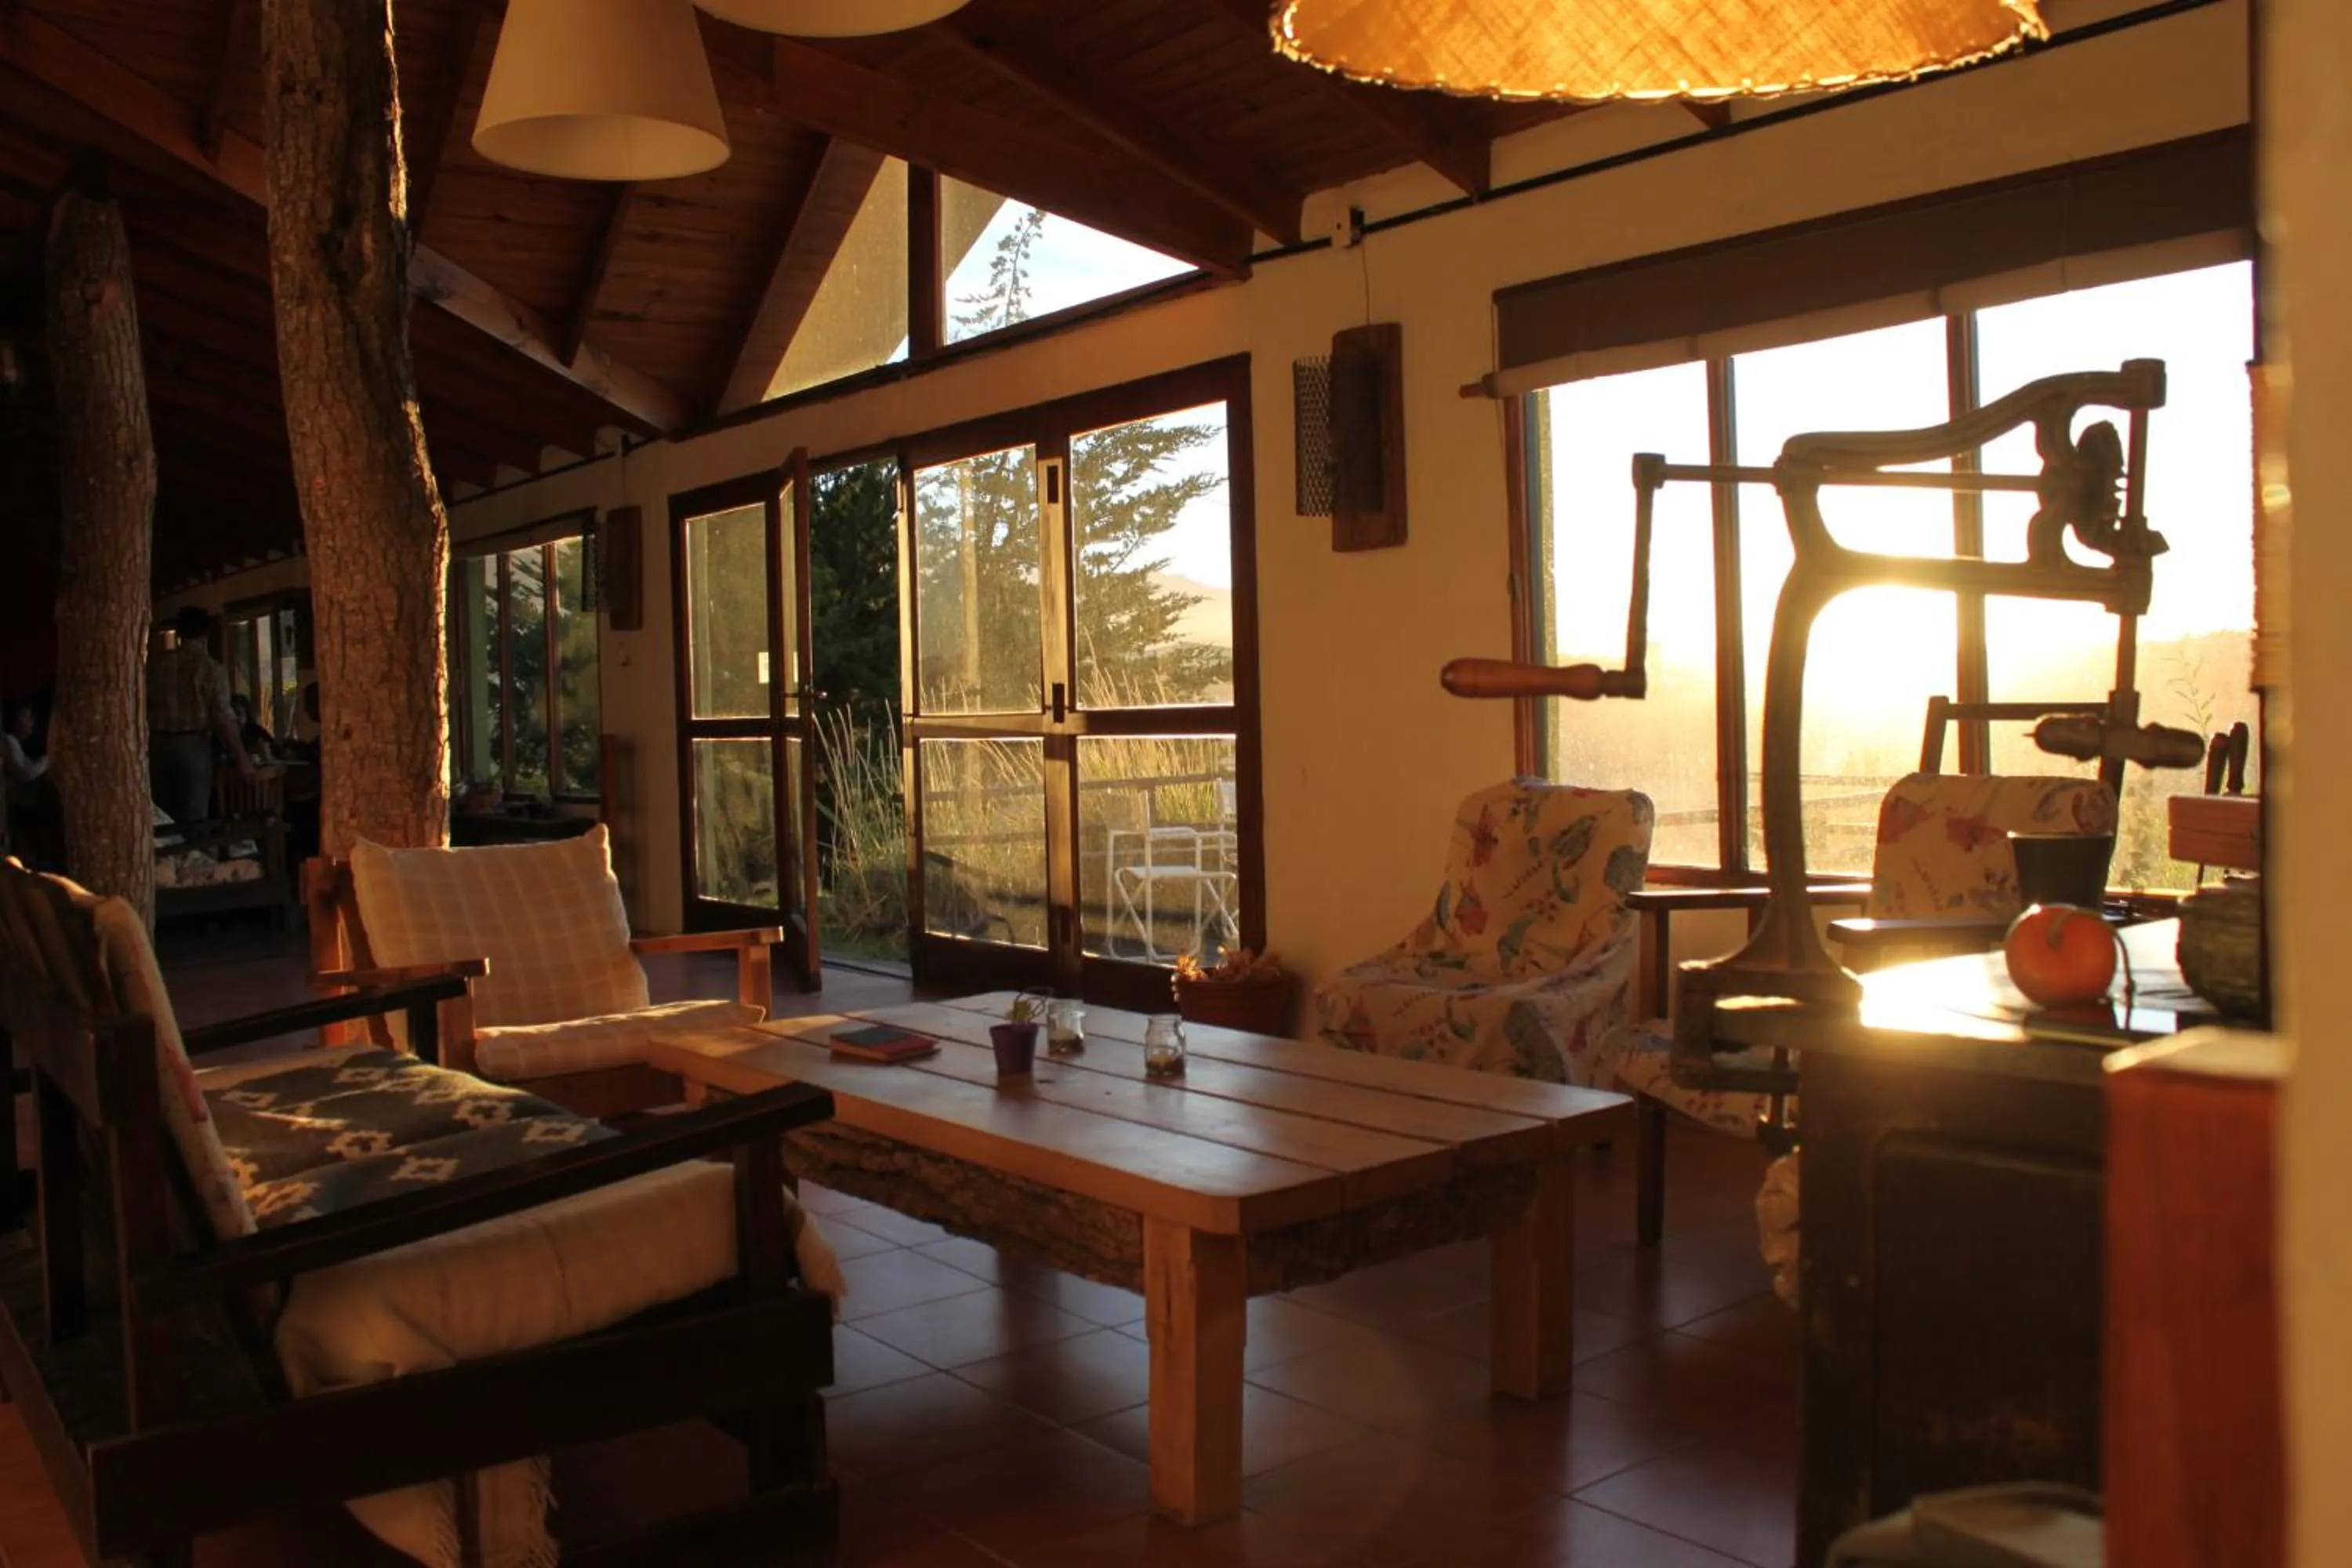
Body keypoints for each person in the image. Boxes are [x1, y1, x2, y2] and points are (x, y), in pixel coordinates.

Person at [147, 606, 254, 824]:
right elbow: (223, 717)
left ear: (179, 633)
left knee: (162, 818)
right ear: (207, 633)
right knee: (194, 817)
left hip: (157, 745)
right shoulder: (211, 669)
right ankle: (193, 855)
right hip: (193, 745)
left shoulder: (158, 665)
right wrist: (242, 758)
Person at [2, 701, 48, 787]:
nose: (32, 721)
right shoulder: (8, 741)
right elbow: (25, 773)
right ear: (16, 719)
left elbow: (29, 765)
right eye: (26, 715)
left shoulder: (15, 744)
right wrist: (48, 761)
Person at [230, 691, 277, 762]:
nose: (234, 717)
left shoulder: (257, 731)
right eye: (231, 714)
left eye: (238, 713)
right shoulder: (223, 735)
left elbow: (274, 750)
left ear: (246, 714)